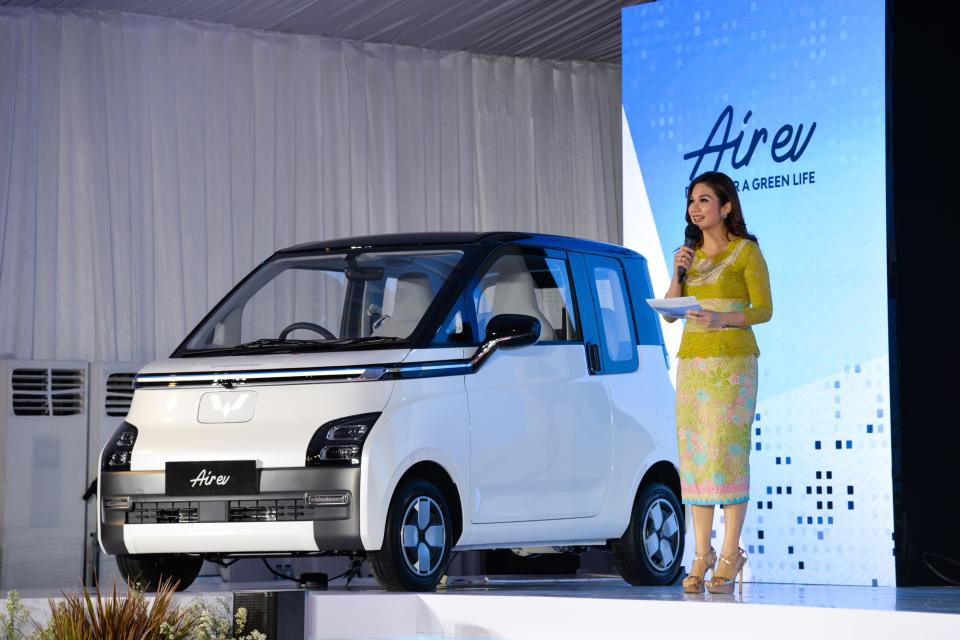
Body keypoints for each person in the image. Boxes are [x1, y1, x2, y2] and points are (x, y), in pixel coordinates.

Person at [663, 171, 772, 595]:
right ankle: (701, 553)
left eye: (704, 200)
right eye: (692, 200)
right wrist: (678, 273)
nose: (695, 207)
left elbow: (764, 310)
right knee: (696, 457)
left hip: (732, 366)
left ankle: (730, 553)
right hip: (693, 365)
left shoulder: (746, 253)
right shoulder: (688, 256)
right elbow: (671, 312)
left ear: (726, 207)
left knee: (726, 453)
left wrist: (721, 318)